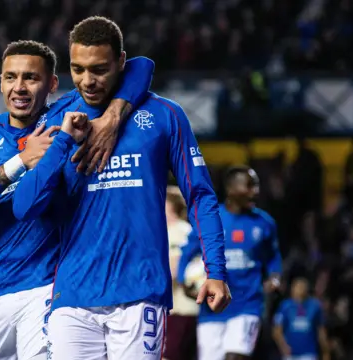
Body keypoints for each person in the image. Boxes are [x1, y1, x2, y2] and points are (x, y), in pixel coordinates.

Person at [12, 16, 230, 360]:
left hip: (139, 292)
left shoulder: (164, 116)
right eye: (78, 69)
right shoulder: (58, 120)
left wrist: (215, 270)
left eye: (99, 69)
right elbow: (23, 206)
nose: (87, 80)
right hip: (73, 295)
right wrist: (64, 142)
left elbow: (200, 196)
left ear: (122, 63)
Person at [0, 39, 153, 359]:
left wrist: (112, 115)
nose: (20, 87)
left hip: (45, 286)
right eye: (11, 77)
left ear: (52, 83)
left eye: (31, 77)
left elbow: (141, 66)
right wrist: (20, 162)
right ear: (0, 82)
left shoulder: (63, 115)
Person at [178, 165, 282, 360]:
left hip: (248, 305)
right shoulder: (211, 220)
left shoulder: (265, 223)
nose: (255, 192)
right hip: (212, 310)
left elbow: (274, 257)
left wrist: (275, 277)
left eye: (257, 186)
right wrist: (184, 281)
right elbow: (187, 253)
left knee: (235, 357)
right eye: (250, 186)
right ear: (232, 189)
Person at [164, 186, 198, 360]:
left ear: (170, 206)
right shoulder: (169, 231)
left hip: (183, 308)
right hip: (174, 309)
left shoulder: (180, 231)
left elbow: (175, 269)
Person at [272, 277, 330, 360]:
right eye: (296, 287)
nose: (298, 290)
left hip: (309, 354)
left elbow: (321, 330)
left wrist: (325, 351)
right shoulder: (285, 306)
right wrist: (283, 346)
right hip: (290, 354)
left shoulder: (315, 306)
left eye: (301, 287)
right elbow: (277, 330)